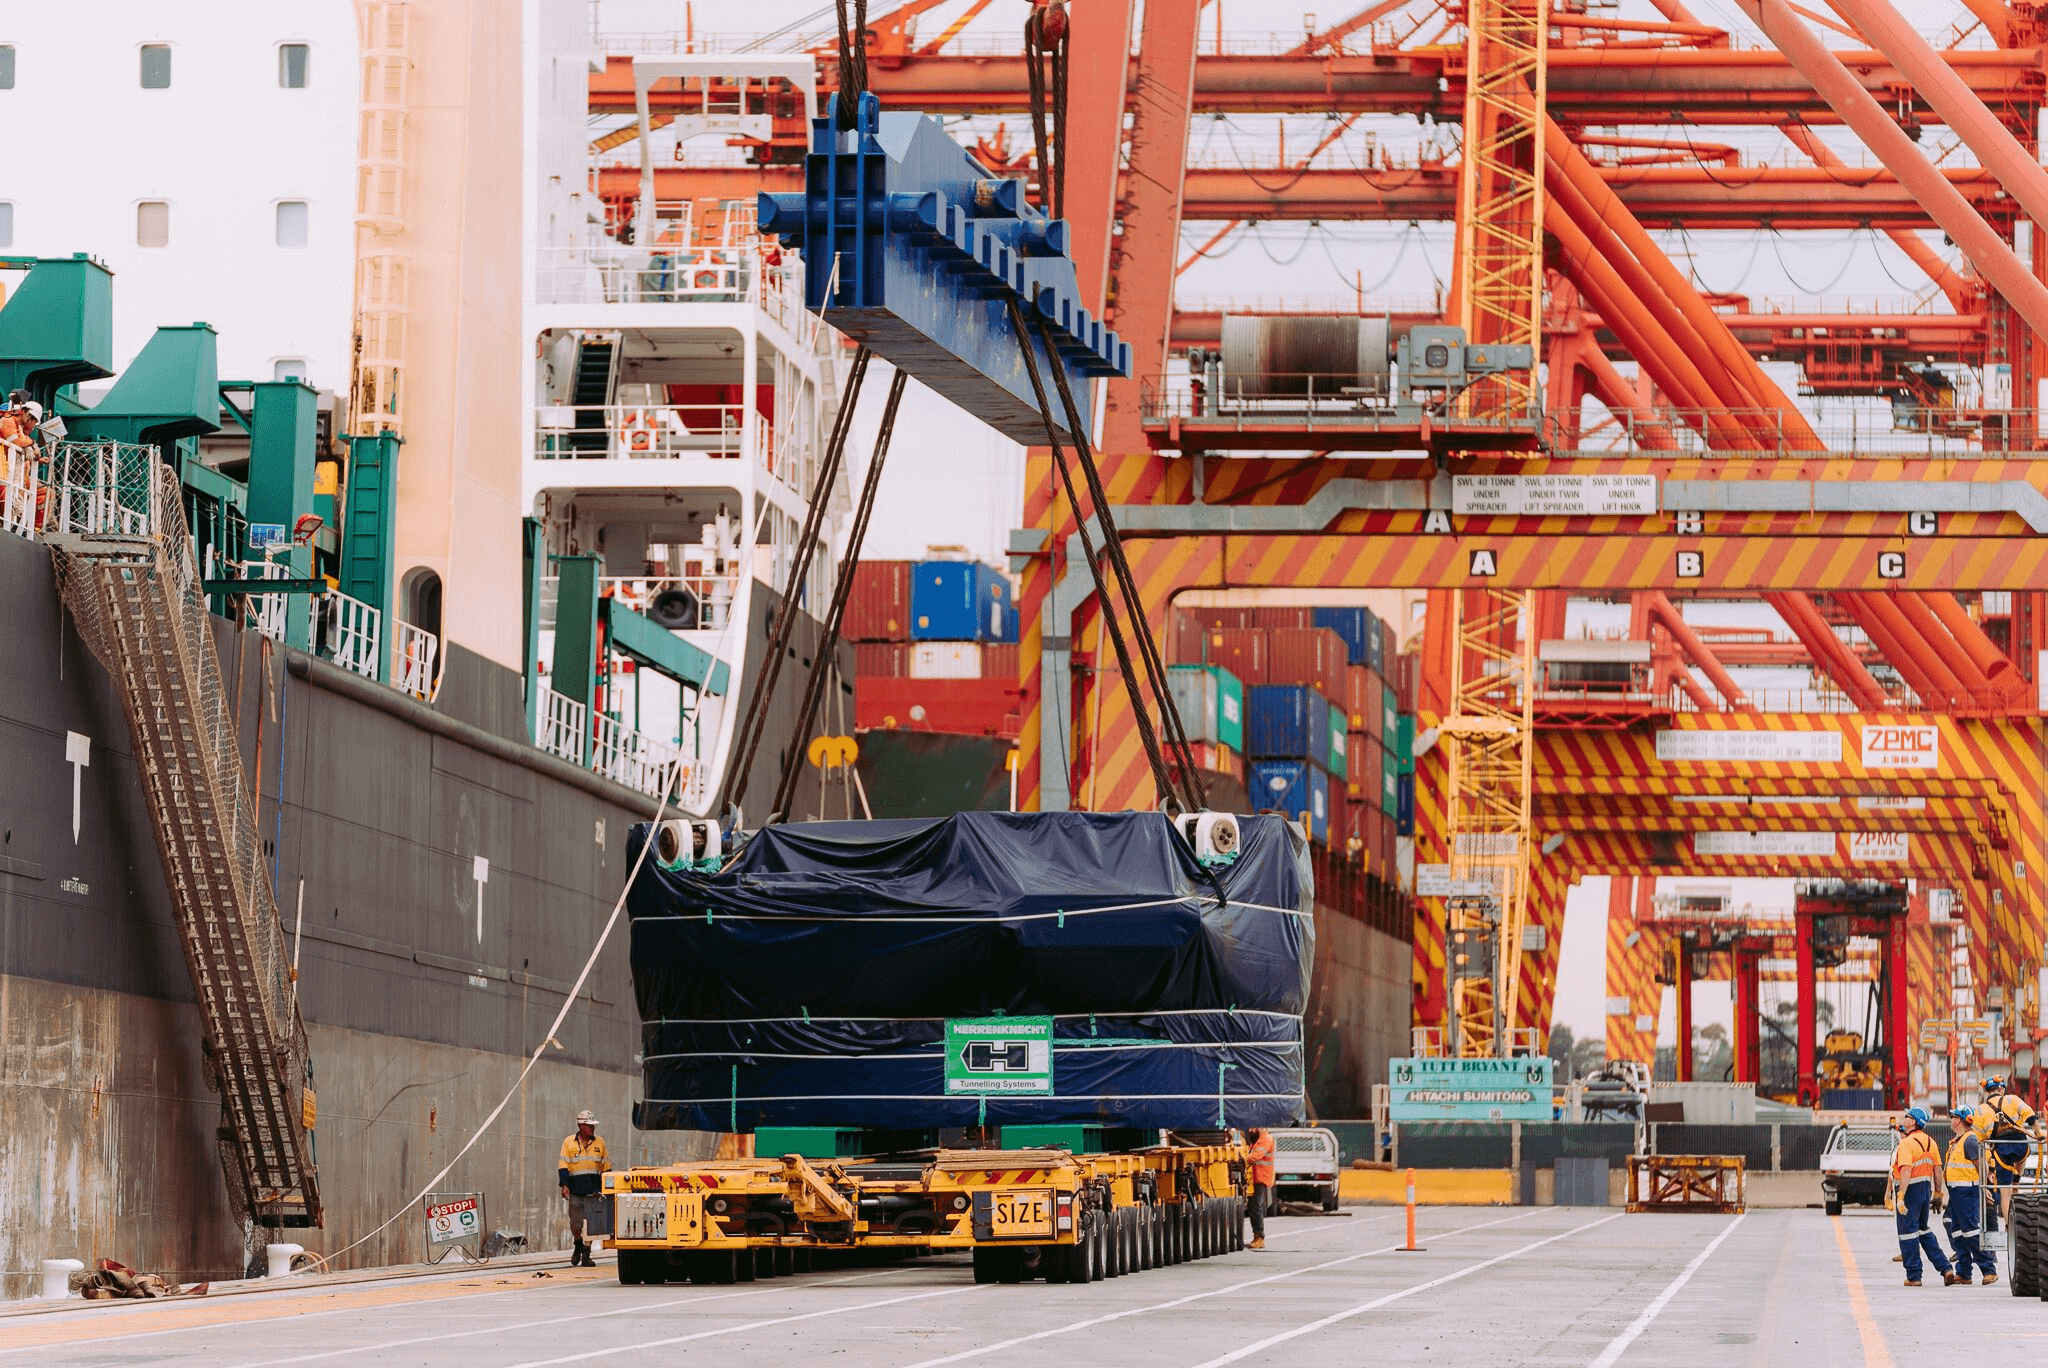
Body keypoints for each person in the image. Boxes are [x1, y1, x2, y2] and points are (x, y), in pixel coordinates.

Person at [1891, 1107, 1953, 1287]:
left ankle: (1914, 1276)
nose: (1904, 1118)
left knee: (1907, 1233)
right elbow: (1938, 1170)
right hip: (1925, 1190)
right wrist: (1938, 1193)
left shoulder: (1906, 1144)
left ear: (1914, 1122)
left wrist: (1901, 1195)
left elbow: (1906, 1171)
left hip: (1910, 1190)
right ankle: (1945, 1267)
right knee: (1923, 1230)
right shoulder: (1930, 1142)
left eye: (1907, 1116)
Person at [1942, 1106, 1999, 1286]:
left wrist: (1984, 1189)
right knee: (1958, 1232)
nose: (1951, 1120)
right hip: (1956, 1192)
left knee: (1971, 1231)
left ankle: (1989, 1270)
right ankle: (1964, 1272)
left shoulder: (1969, 1140)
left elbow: (1980, 1165)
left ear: (1958, 1120)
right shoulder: (1958, 1141)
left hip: (1966, 1191)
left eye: (1953, 1117)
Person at [1975, 1076, 2038, 1224]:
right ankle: (2017, 1180)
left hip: (2000, 1150)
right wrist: (2038, 1132)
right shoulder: (2012, 1100)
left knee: (2005, 1192)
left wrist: (1989, 1169)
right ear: (2001, 1089)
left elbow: (1979, 1141)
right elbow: (2030, 1116)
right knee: (2024, 1154)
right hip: (2020, 1144)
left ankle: (2009, 1226)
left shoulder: (1980, 1110)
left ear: (1986, 1092)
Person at [558, 1109, 610, 1267]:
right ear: (581, 1126)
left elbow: (606, 1167)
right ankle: (578, 1244)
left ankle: (586, 1254)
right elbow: (563, 1166)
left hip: (594, 1191)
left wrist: (608, 1187)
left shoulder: (600, 1143)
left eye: (593, 1126)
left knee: (590, 1224)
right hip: (576, 1191)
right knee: (575, 1224)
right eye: (590, 1126)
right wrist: (565, 1185)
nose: (593, 1128)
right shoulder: (568, 1142)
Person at [1245, 1126, 1275, 1251]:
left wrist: (1241, 1159)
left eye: (1253, 1128)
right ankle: (1257, 1237)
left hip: (1261, 1178)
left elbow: (1257, 1155)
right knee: (1253, 1206)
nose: (1250, 1130)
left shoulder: (1266, 1139)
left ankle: (1259, 1238)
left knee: (1256, 1206)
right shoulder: (1256, 1140)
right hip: (1254, 1178)